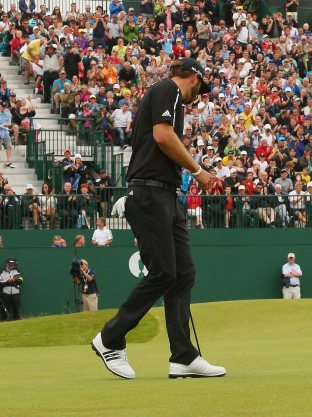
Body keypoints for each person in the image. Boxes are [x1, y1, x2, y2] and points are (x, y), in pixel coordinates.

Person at [93, 57, 226, 381]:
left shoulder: (172, 97)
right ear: (194, 78)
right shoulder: (169, 89)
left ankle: (183, 356)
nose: (200, 94)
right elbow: (163, 136)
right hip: (150, 194)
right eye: (201, 87)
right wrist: (198, 171)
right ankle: (110, 338)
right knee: (165, 271)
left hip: (166, 195)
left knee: (182, 273)